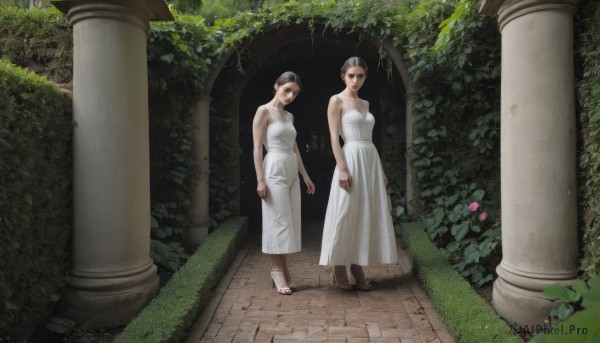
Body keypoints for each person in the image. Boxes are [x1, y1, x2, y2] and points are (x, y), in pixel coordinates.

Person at [319, 57, 398, 290]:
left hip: (370, 159)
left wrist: (380, 171)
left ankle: (357, 265)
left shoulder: (365, 103)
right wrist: (343, 169)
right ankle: (340, 266)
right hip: (350, 157)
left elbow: (371, 141)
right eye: (351, 75)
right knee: (346, 210)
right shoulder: (336, 100)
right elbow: (334, 137)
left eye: (360, 76)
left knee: (364, 213)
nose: (355, 80)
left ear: (365, 76)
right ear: (343, 75)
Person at [252, 71, 316, 295]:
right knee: (276, 221)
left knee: (288, 222)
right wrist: (260, 179)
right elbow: (257, 147)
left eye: (295, 93)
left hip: (290, 168)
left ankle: (284, 268)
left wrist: (305, 176)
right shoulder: (263, 111)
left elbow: (295, 148)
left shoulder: (289, 117)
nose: (290, 96)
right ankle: (277, 271)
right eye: (287, 90)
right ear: (276, 86)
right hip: (274, 168)